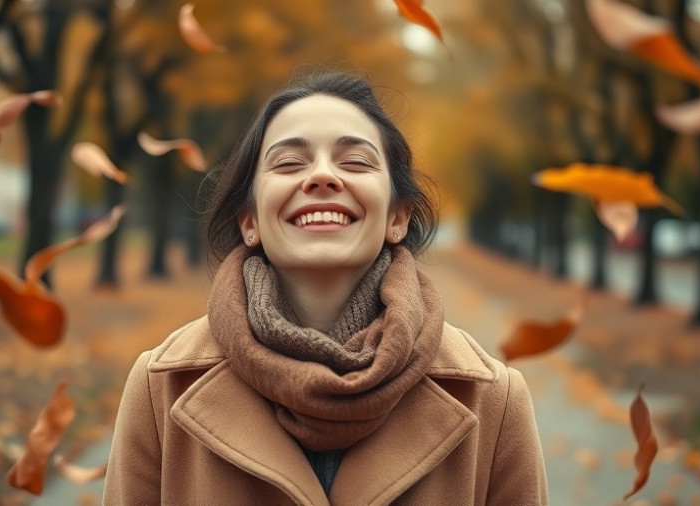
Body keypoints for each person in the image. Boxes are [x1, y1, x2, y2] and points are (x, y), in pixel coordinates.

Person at [103, 72, 548, 505]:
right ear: (250, 220)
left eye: (354, 161)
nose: (321, 177)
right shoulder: (160, 387)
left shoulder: (493, 399)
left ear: (398, 217)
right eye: (289, 163)